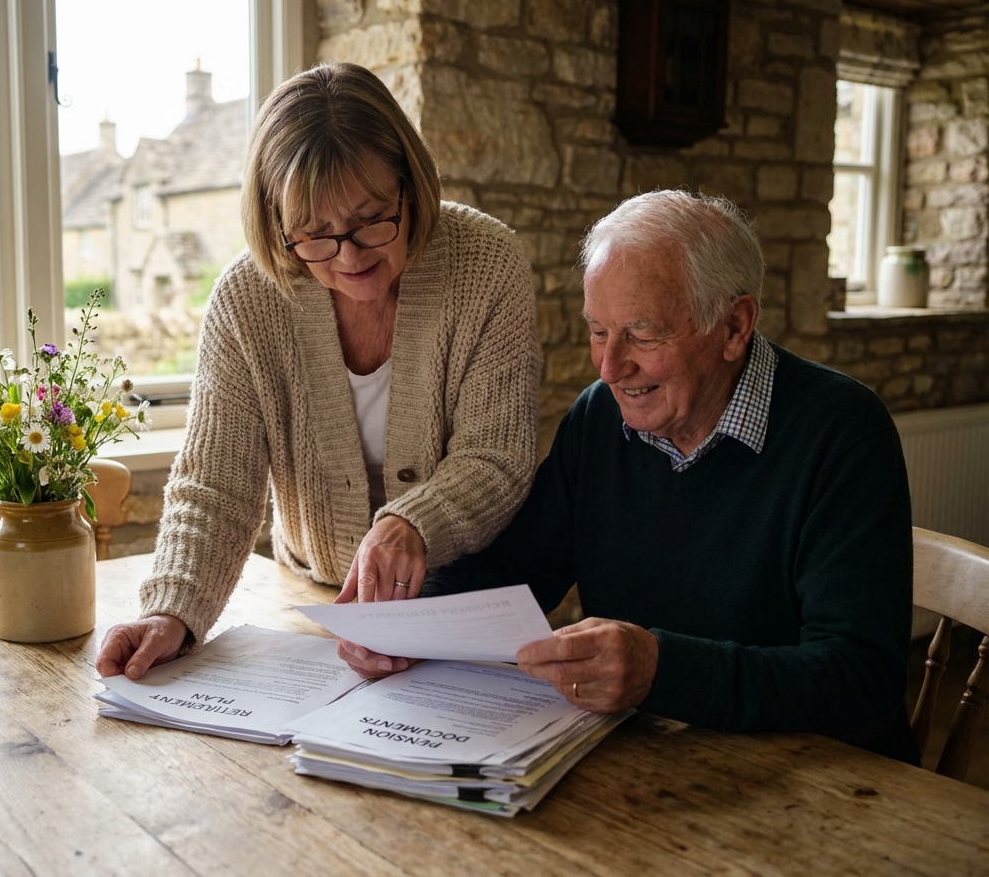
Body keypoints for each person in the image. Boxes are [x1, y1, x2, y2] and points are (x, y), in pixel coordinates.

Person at [340, 189, 918, 764]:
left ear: (736, 326)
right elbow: (516, 568)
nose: (611, 367)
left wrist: (660, 670)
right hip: (656, 761)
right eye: (599, 331)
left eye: (642, 333)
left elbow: (861, 682)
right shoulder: (598, 418)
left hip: (821, 782)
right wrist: (401, 627)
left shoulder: (844, 433)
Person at [96, 62, 541, 680]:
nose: (350, 256)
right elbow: (216, 485)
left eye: (373, 219)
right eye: (315, 234)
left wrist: (412, 521)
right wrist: (173, 608)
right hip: (314, 603)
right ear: (277, 225)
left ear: (412, 183)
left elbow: (496, 456)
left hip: (470, 601)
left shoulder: (488, 264)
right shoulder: (248, 299)